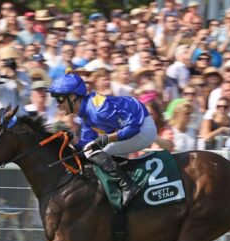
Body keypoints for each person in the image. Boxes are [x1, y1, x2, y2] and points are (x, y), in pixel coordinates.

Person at [48, 70, 157, 209]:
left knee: (97, 151)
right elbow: (86, 146)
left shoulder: (98, 110)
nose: (58, 104)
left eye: (60, 98)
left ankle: (128, 185)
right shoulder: (85, 115)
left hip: (143, 129)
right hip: (131, 129)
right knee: (91, 151)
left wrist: (106, 139)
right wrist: (70, 138)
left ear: (73, 96)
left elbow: (133, 128)